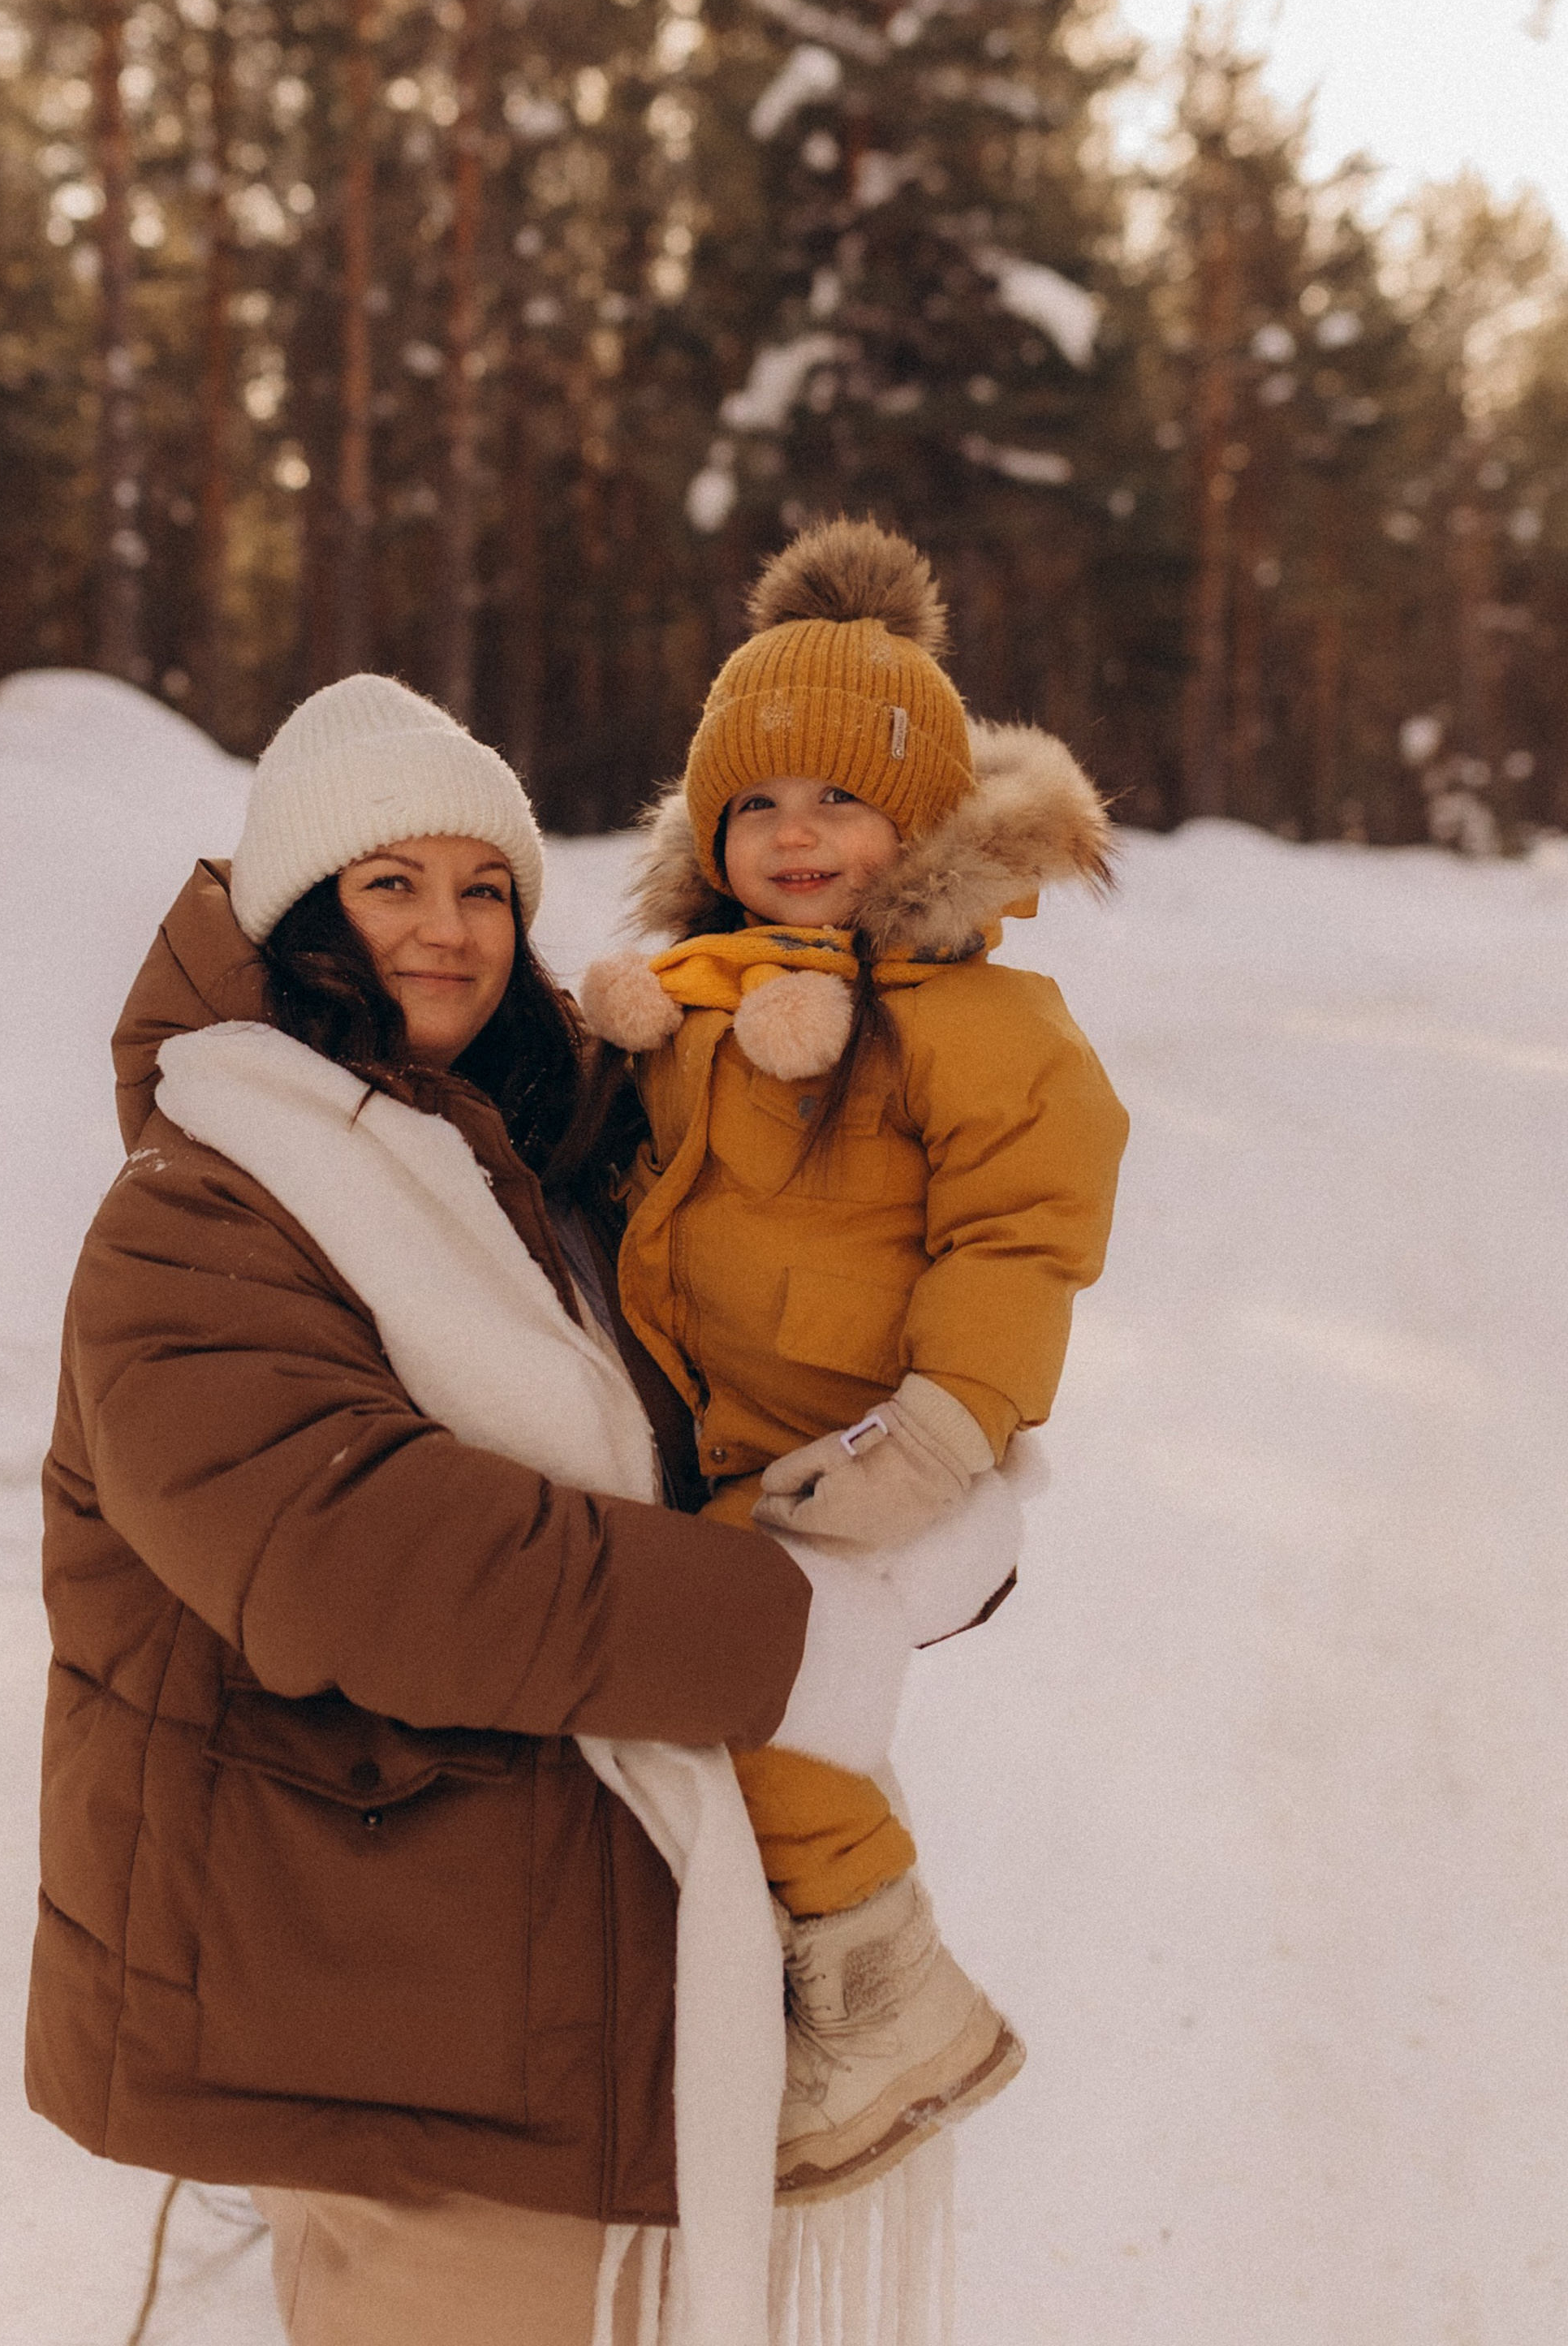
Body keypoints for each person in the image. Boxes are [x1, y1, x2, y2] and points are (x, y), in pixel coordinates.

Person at [24, 670, 970, 2346]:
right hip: (381, 2008)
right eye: (391, 884)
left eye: (484, 890)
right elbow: (359, 1557)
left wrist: (918, 1504)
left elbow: (725, 1401)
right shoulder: (198, 1211)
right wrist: (789, 1637)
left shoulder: (530, 1169)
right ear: (301, 910)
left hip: (527, 1991)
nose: (447, 930)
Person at [579, 518, 1129, 2206]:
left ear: (920, 821)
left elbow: (1018, 1239)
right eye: (756, 804)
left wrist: (946, 1425)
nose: (795, 833)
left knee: (754, 1692)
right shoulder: (684, 995)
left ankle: (886, 1997)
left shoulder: (981, 1030)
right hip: (695, 1436)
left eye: (837, 798)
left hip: (847, 1453)